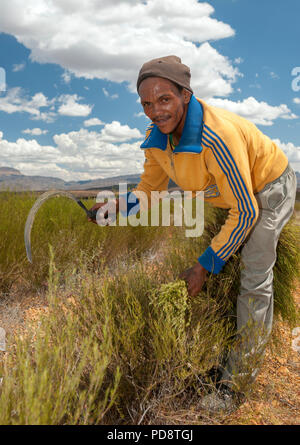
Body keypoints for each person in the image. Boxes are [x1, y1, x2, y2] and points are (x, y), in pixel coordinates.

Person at [89, 55, 297, 412]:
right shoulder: (156, 136)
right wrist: (119, 206)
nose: (155, 111)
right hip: (232, 198)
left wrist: (203, 265)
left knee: (252, 276)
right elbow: (150, 187)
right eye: (147, 104)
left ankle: (237, 384)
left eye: (164, 99)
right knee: (224, 268)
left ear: (185, 95)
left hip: (267, 191)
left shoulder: (218, 137)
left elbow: (246, 211)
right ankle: (225, 351)